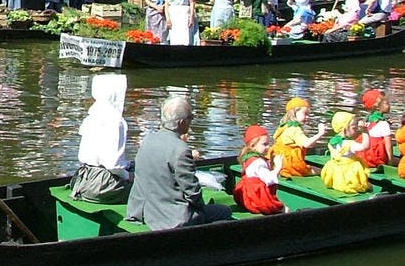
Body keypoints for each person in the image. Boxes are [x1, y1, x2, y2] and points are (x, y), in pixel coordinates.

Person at [125, 96, 232, 231]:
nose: (191, 122)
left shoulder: (147, 140)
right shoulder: (181, 150)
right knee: (224, 211)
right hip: (171, 218)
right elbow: (192, 193)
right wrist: (201, 207)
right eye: (190, 118)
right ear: (182, 122)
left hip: (143, 211)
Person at [69, 74, 132, 204]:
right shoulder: (116, 121)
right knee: (146, 187)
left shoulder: (91, 115)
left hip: (82, 179)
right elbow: (112, 165)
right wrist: (129, 176)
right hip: (101, 185)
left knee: (133, 165)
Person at [232, 125, 285, 215]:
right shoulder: (258, 162)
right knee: (284, 209)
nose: (268, 147)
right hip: (258, 199)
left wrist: (271, 164)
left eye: (268, 143)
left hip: (247, 197)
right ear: (253, 146)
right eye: (265, 144)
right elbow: (269, 179)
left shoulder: (248, 158)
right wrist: (278, 167)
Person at [270, 97, 326, 177]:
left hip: (278, 161)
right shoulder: (295, 129)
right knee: (322, 171)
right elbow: (306, 144)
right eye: (305, 113)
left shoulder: (284, 126)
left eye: (308, 114)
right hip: (291, 165)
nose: (307, 117)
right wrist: (320, 133)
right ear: (294, 113)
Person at [320, 111, 371, 194]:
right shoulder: (350, 144)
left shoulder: (332, 141)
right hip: (348, 175)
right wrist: (365, 131)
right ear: (344, 129)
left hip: (335, 173)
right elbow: (365, 146)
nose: (356, 130)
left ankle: (334, 184)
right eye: (354, 128)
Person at [359, 89, 393, 168]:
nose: (389, 105)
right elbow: (388, 144)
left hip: (365, 155)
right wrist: (391, 161)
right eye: (387, 103)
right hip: (377, 158)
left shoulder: (368, 119)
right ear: (378, 107)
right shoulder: (383, 123)